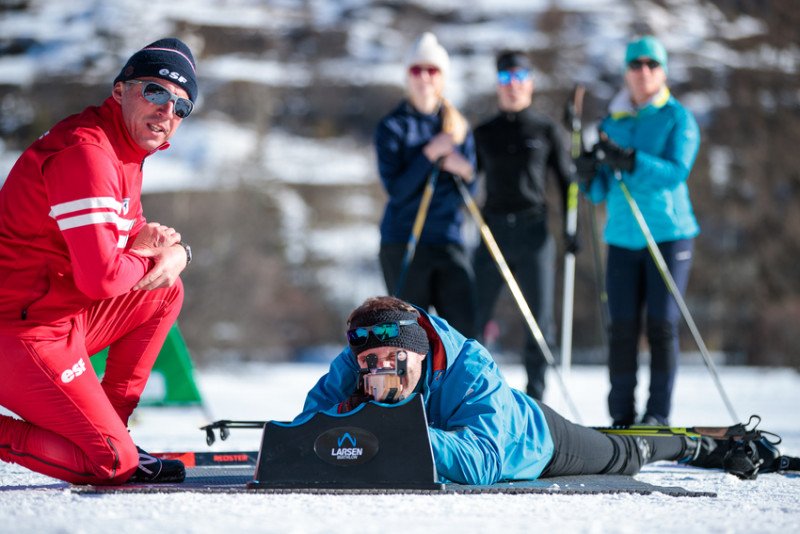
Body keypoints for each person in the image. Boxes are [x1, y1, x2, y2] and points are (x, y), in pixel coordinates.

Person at [295, 296, 776, 485]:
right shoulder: (356, 361)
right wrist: (342, 416)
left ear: (418, 351)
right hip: (475, 435)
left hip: (536, 443)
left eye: (391, 362)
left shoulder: (470, 366)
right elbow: (305, 427)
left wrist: (387, 427)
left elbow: (481, 463)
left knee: (622, 453)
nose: (378, 374)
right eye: (368, 365)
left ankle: (696, 444)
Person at [0, 38, 198, 485]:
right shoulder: (87, 154)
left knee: (165, 290)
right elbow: (102, 276)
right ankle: (114, 446)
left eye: (182, 107)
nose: (168, 111)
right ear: (119, 91)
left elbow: (132, 239)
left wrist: (172, 254)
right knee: (110, 464)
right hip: (18, 332)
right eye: (155, 92)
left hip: (57, 318)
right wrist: (156, 257)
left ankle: (114, 427)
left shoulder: (124, 151)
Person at [576, 36, 701, 426]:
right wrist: (585, 174)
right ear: (626, 72)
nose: (643, 71)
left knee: (661, 325)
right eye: (636, 64)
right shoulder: (612, 123)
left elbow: (676, 172)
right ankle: (621, 416)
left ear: (662, 71)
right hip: (622, 238)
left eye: (652, 64)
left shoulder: (677, 117)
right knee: (622, 329)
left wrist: (631, 160)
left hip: (668, 234)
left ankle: (658, 415)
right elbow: (598, 190)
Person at [472, 50, 577, 400]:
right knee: (476, 319)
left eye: (519, 77)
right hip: (492, 232)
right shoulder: (483, 132)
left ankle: (537, 397)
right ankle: (475, 393)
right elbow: (469, 177)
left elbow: (567, 183)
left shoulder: (546, 130)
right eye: (505, 78)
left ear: (530, 83)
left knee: (539, 321)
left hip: (534, 231)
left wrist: (570, 230)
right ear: (498, 85)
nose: (512, 85)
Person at [374, 32, 479, 339]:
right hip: (404, 239)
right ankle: (411, 389)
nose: (424, 77)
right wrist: (429, 154)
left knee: (463, 333)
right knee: (408, 337)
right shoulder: (392, 127)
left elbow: (468, 195)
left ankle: (457, 388)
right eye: (416, 70)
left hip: (448, 238)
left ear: (442, 76)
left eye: (431, 70)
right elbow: (397, 190)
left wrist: (464, 169)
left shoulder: (456, 126)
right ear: (407, 76)